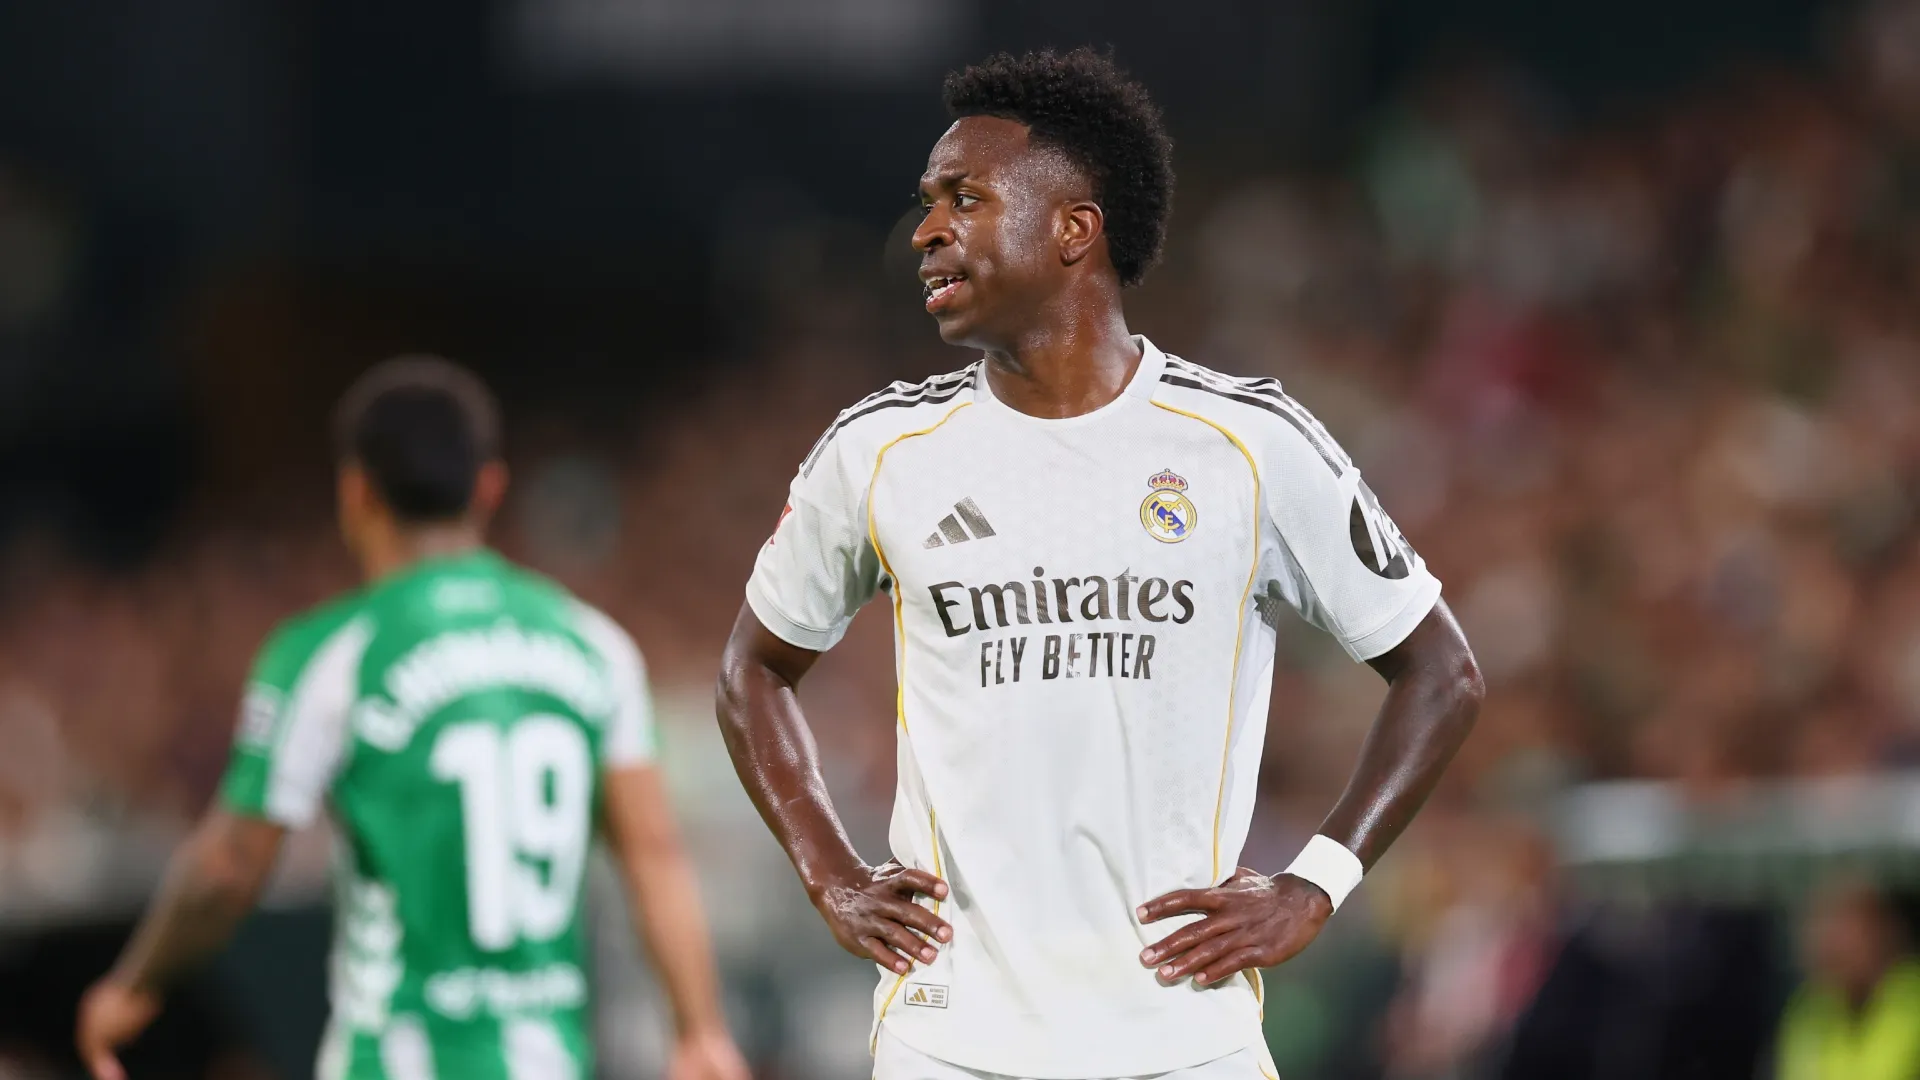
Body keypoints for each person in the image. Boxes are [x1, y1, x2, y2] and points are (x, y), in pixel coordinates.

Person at [715, 47, 1483, 1080]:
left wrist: (1314, 884)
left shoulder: (1250, 444)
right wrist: (830, 874)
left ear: (1077, 228)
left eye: (966, 198)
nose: (929, 231)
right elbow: (753, 669)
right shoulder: (877, 451)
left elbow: (1441, 672)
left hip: (1184, 1033)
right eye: (927, 204)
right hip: (951, 1034)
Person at [76, 358, 749, 1080]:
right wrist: (699, 1029)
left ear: (356, 491)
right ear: (490, 487)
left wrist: (134, 984)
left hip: (396, 1057)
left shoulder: (330, 654)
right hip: (548, 1059)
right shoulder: (594, 647)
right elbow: (653, 853)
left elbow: (229, 864)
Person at [1776, 878, 1920, 1080]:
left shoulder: (1912, 998)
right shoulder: (1808, 1012)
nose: (1827, 944)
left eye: (1843, 927)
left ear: (1883, 929)